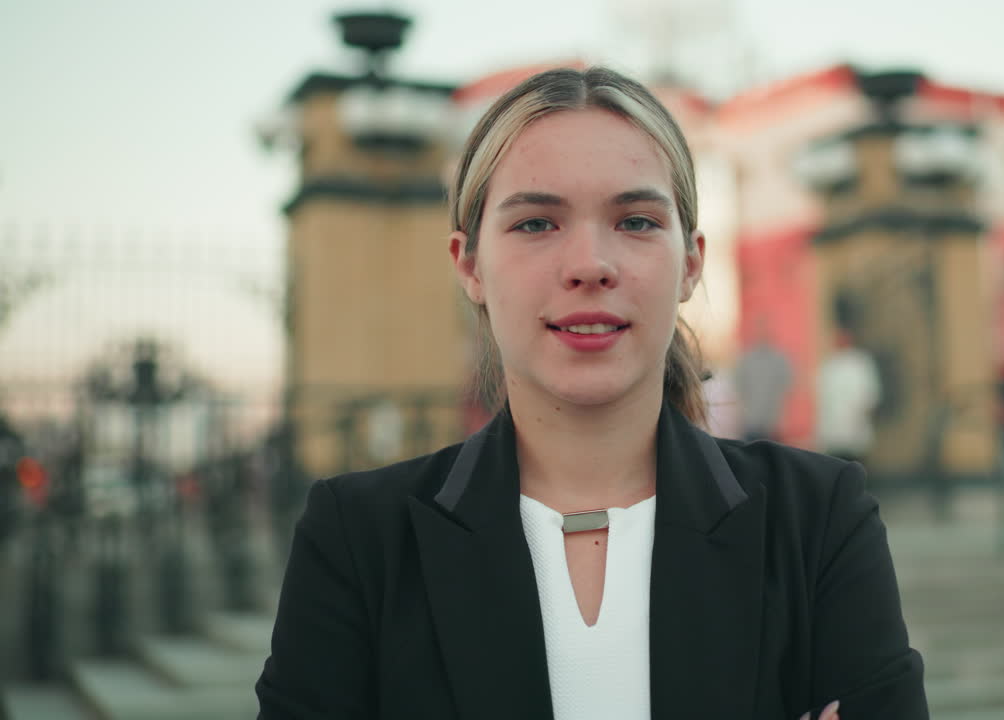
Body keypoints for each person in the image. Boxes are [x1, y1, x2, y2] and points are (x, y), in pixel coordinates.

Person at [255, 66, 927, 720]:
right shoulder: (357, 539)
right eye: (536, 223)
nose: (589, 266)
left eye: (635, 221)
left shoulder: (817, 522)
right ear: (469, 263)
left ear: (690, 263)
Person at [816, 330, 883, 465]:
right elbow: (823, 396)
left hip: (855, 422)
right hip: (833, 427)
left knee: (856, 461)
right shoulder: (829, 364)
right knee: (836, 461)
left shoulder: (860, 363)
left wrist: (864, 411)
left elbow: (870, 392)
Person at [734, 316, 793, 442]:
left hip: (773, 425)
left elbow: (787, 388)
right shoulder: (747, 360)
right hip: (751, 423)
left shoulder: (780, 360)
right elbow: (739, 388)